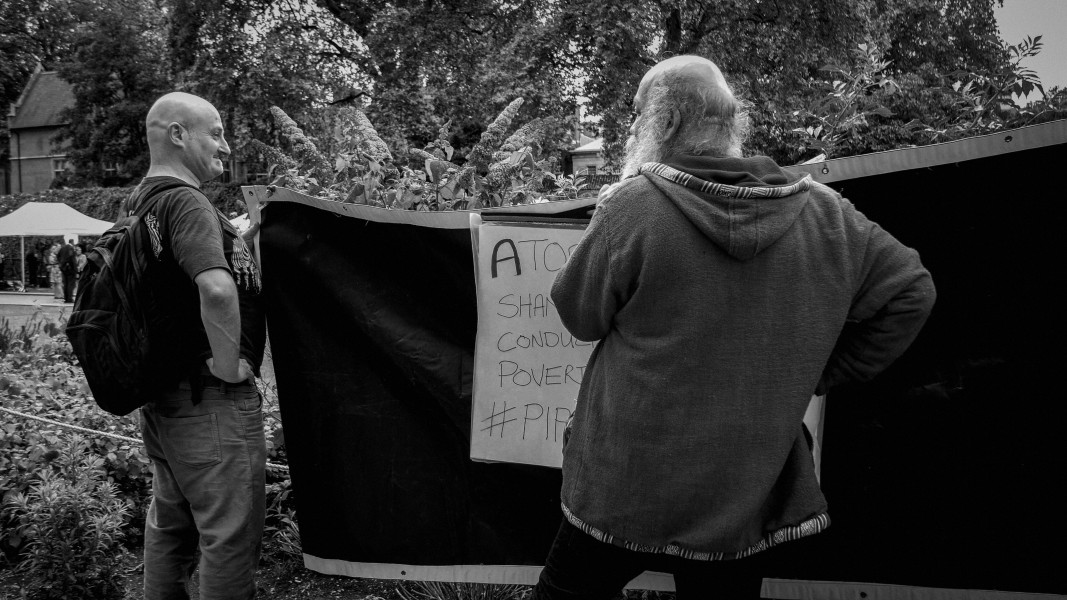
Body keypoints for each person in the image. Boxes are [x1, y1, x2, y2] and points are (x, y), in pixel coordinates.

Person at [535, 55, 936, 599]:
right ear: (729, 125)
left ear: (665, 124)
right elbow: (912, 292)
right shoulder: (825, 213)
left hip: (626, 479)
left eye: (635, 115)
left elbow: (579, 317)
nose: (631, 128)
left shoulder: (635, 206)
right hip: (741, 490)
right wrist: (821, 371)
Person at [130, 91, 266, 600]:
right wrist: (230, 367)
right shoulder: (186, 201)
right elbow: (214, 287)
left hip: (167, 403)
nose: (226, 146)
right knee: (229, 537)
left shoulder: (143, 201)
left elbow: (172, 286)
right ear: (177, 134)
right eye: (217, 132)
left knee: (171, 527)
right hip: (210, 403)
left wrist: (243, 239)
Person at [57, 238, 78, 303]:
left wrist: (61, 264)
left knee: (65, 283)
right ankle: (69, 298)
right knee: (70, 284)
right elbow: (72, 259)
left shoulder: (63, 248)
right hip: (70, 269)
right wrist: (75, 269)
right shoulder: (71, 248)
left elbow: (58, 256)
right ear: (73, 242)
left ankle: (65, 298)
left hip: (63, 269)